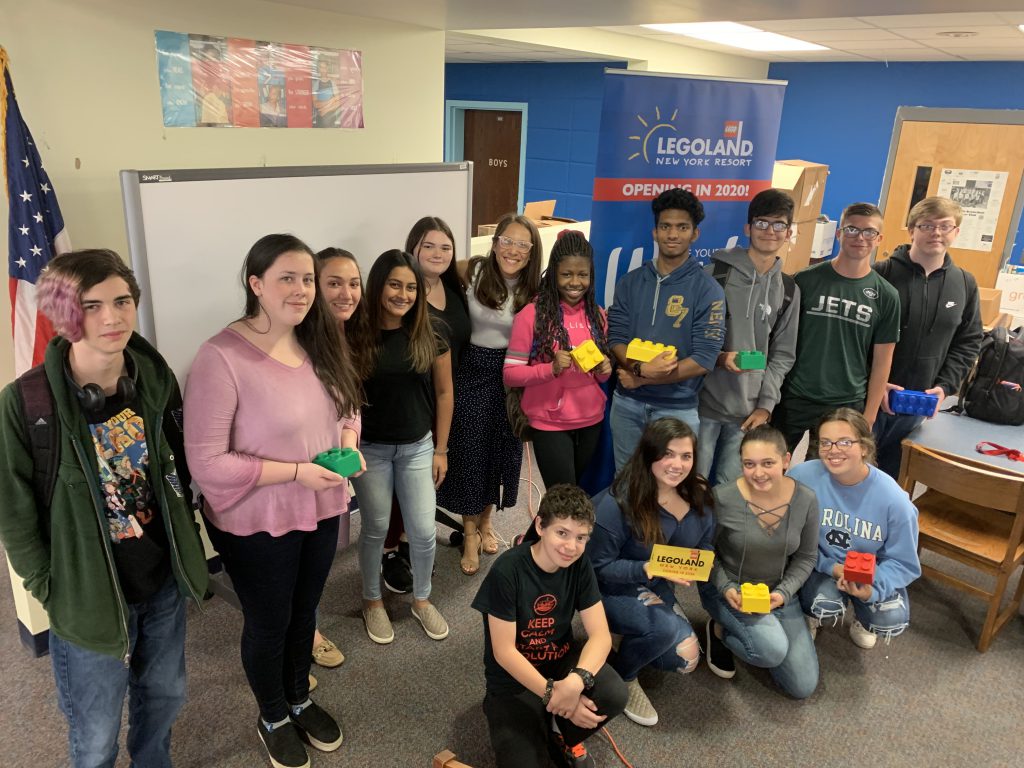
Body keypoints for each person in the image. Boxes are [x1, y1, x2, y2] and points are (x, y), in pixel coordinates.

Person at [0, 250, 209, 767]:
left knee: (164, 699)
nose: (112, 318)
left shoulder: (155, 381)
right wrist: (50, 587)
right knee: (94, 733)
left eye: (121, 301)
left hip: (160, 582)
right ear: (63, 313)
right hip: (86, 596)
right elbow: (15, 514)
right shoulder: (27, 403)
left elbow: (176, 469)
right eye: (91, 306)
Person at [184, 234, 363, 768]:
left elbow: (349, 405)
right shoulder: (221, 357)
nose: (302, 289)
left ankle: (299, 698)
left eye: (308, 278)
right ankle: (273, 715)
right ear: (255, 284)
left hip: (321, 506)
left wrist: (348, 446)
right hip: (255, 520)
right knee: (269, 623)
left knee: (305, 611)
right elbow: (207, 463)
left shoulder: (321, 339)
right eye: (287, 277)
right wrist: (296, 472)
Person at [472, 484, 627, 768]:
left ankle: (558, 731)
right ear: (540, 526)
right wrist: (551, 694)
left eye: (581, 537)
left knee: (614, 693)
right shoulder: (508, 571)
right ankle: (551, 717)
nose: (571, 547)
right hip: (513, 682)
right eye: (562, 533)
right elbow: (504, 652)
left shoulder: (579, 565)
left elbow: (601, 636)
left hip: (560, 663)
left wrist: (575, 682)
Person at [347, 250, 454, 645]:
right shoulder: (354, 333)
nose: (403, 294)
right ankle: (372, 601)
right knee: (375, 528)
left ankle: (422, 600)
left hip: (418, 448)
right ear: (378, 286)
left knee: (424, 532)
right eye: (395, 284)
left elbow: (444, 393)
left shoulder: (432, 331)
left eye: (411, 287)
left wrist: (441, 449)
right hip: (370, 449)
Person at [588, 418, 713, 727]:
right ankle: (624, 675)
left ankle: (628, 633)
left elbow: (708, 543)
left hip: (658, 582)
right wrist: (647, 568)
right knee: (669, 635)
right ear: (648, 455)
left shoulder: (698, 493)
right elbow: (597, 567)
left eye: (686, 456)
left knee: (686, 660)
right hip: (611, 587)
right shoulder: (617, 503)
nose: (678, 464)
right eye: (667, 454)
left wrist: (697, 563)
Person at [438, 213, 542, 575]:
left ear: (532, 252)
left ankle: (485, 522)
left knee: (501, 452)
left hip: (512, 376)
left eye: (522, 244)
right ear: (495, 242)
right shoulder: (473, 270)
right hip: (472, 371)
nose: (512, 250)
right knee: (470, 453)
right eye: (506, 241)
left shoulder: (534, 289)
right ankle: (468, 532)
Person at [378, 217, 471, 595]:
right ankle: (394, 547)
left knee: (430, 478)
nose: (438, 253)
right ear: (413, 248)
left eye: (445, 247)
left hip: (450, 394)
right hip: (412, 401)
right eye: (428, 246)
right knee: (401, 486)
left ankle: (412, 540)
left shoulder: (455, 286)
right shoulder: (404, 294)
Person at [607, 187, 725, 470]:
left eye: (682, 227)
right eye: (666, 226)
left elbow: (703, 359)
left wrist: (645, 379)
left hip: (677, 409)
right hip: (627, 405)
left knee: (671, 489)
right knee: (627, 484)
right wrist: (640, 371)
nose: (673, 235)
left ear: (694, 234)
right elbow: (616, 338)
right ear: (655, 232)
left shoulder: (709, 290)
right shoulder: (630, 282)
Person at [699, 424, 819, 699]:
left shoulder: (806, 499)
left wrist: (783, 593)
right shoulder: (722, 498)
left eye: (768, 463)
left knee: (803, 687)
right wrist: (726, 587)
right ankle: (720, 629)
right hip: (732, 592)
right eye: (749, 464)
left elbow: (806, 556)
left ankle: (763, 629)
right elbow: (705, 551)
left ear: (787, 460)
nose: (758, 473)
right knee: (771, 650)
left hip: (778, 593)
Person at [774, 202, 901, 453]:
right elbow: (780, 339)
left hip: (845, 403)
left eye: (869, 232)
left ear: (879, 239)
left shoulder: (886, 295)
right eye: (852, 229)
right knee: (772, 469)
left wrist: (870, 415)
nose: (860, 238)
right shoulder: (805, 280)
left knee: (825, 480)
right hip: (794, 396)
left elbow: (882, 362)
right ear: (839, 233)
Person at [791, 408, 921, 650]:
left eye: (844, 442)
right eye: (826, 442)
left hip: (870, 570)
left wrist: (873, 587)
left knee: (890, 620)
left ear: (864, 447)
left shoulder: (895, 501)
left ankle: (863, 617)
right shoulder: (801, 477)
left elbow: (904, 563)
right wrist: (831, 567)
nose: (833, 450)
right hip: (822, 564)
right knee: (822, 603)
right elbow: (791, 536)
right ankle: (810, 613)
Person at [873, 196, 983, 479]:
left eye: (946, 226)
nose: (936, 233)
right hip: (869, 396)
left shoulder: (965, 284)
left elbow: (968, 341)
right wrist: (876, 383)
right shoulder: (881, 274)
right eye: (927, 225)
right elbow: (858, 336)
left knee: (894, 481)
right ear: (912, 230)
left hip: (918, 404)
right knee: (851, 473)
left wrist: (945, 386)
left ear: (956, 233)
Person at [698, 189, 800, 486]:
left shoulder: (789, 290)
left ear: (789, 232)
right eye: (762, 223)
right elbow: (691, 338)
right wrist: (719, 358)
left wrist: (766, 405)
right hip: (704, 403)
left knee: (731, 490)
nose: (770, 231)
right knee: (695, 485)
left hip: (748, 413)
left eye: (779, 224)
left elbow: (782, 355)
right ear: (748, 228)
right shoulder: (713, 275)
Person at [503, 230, 612, 488]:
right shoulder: (531, 315)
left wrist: (604, 369)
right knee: (562, 497)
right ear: (553, 274)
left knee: (568, 497)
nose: (575, 282)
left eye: (582, 275)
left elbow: (601, 376)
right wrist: (549, 369)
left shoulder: (597, 315)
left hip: (591, 420)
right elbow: (510, 374)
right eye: (566, 274)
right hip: (549, 423)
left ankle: (536, 531)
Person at [307, 247, 365, 671]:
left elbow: (350, 406)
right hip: (293, 479)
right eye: (333, 283)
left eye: (353, 283)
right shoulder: (296, 341)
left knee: (315, 564)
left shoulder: (341, 339)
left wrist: (348, 440)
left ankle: (303, 629)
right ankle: (302, 639)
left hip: (328, 474)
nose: (346, 293)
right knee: (289, 571)